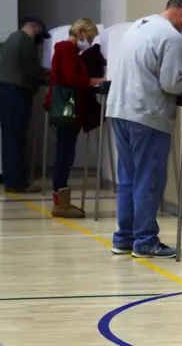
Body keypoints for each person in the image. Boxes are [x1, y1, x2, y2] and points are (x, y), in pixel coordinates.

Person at [106, 0, 182, 258]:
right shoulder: (171, 37)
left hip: (119, 110)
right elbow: (171, 82)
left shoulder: (139, 25)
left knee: (128, 179)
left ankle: (124, 238)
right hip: (147, 114)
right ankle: (146, 241)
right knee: (148, 181)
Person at [43, 18, 105, 218]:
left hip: (65, 110)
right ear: (79, 31)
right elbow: (69, 78)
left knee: (65, 154)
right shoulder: (67, 50)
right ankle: (60, 203)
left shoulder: (66, 50)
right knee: (64, 155)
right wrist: (92, 81)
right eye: (89, 36)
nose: (89, 40)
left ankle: (61, 200)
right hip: (68, 110)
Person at [0, 16, 51, 193]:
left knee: (9, 138)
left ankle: (11, 179)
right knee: (17, 139)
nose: (39, 37)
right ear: (34, 27)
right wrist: (47, 72)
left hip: (5, 92)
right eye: (39, 32)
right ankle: (18, 182)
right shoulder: (25, 42)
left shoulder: (12, 38)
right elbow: (32, 70)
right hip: (16, 94)